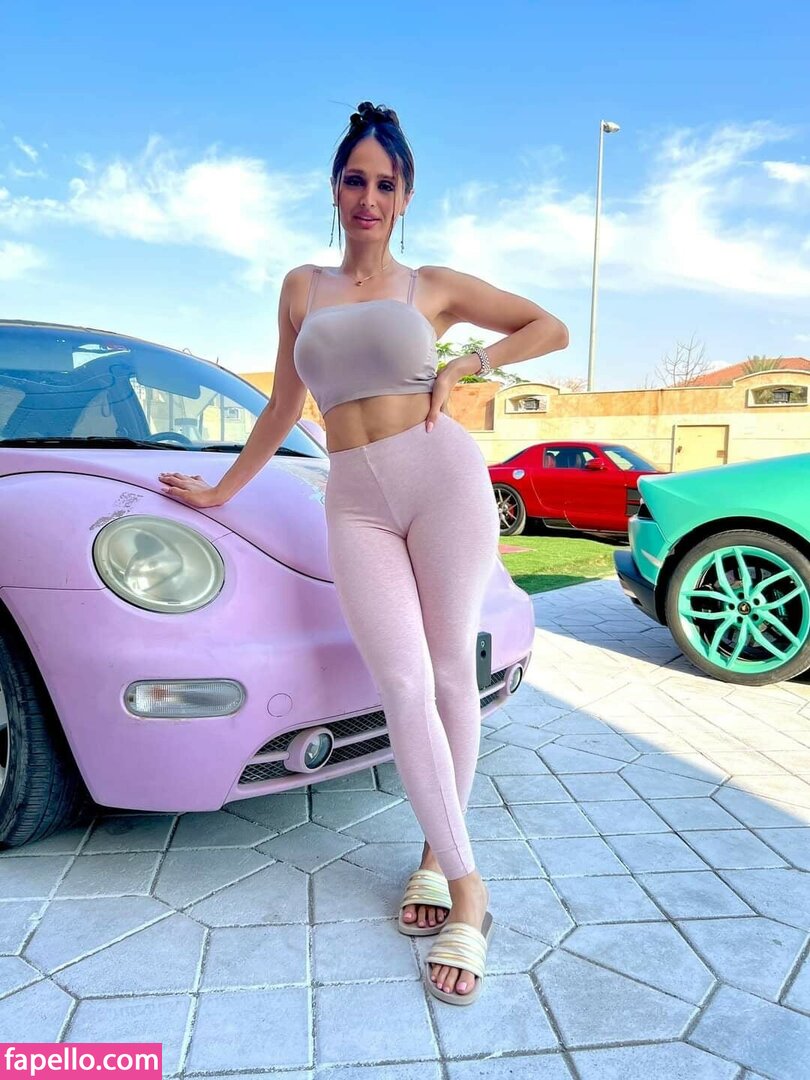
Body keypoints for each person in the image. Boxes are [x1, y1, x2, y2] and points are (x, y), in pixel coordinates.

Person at [159, 100, 568, 1005]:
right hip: (355, 499)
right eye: (355, 180)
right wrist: (221, 491)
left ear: (406, 196)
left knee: (451, 672)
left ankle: (441, 863)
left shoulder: (431, 287)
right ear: (335, 188)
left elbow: (550, 327)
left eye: (386, 184)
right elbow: (282, 406)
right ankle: (470, 881)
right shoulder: (301, 287)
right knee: (402, 683)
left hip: (441, 477)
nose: (369, 198)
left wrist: (465, 367)